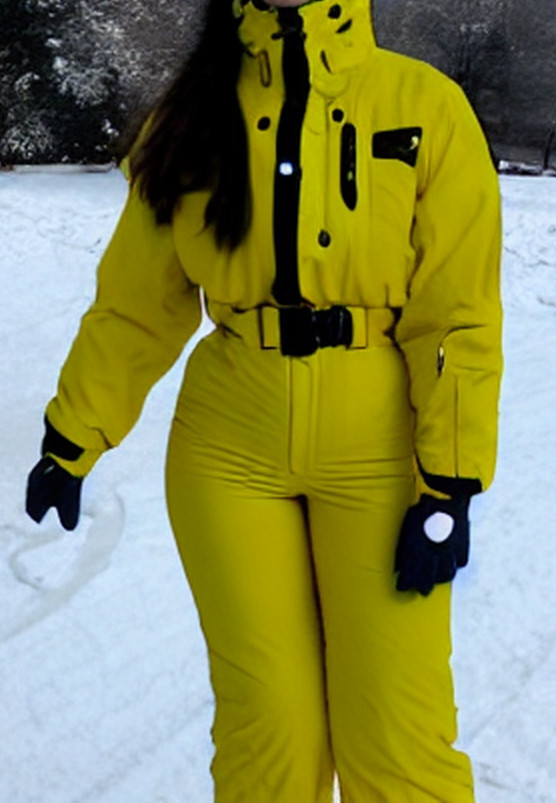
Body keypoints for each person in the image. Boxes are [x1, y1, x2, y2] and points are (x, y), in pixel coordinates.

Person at [25, 0, 503, 799]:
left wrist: (448, 481)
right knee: (268, 734)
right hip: (227, 451)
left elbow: (457, 314)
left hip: (379, 450)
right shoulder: (193, 113)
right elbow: (137, 305)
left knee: (396, 735)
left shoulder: (424, 107)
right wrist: (71, 436)